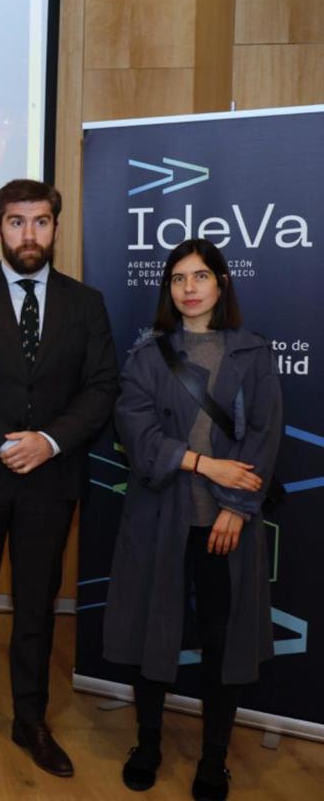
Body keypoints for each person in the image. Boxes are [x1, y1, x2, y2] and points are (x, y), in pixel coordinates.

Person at [0, 179, 118, 777]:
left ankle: (29, 721)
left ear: (55, 228)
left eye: (40, 222)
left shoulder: (86, 304)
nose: (28, 234)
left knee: (38, 606)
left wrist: (48, 442)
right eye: (16, 222)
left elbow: (101, 389)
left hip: (51, 476)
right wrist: (2, 442)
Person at [104, 238, 280, 801]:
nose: (189, 288)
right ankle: (149, 744)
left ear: (221, 284)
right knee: (153, 628)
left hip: (226, 525)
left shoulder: (252, 354)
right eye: (178, 279)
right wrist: (203, 463)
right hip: (160, 518)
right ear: (169, 290)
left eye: (200, 277)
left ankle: (213, 760)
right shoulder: (147, 358)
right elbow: (136, 433)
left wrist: (236, 508)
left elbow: (264, 437)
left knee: (222, 642)